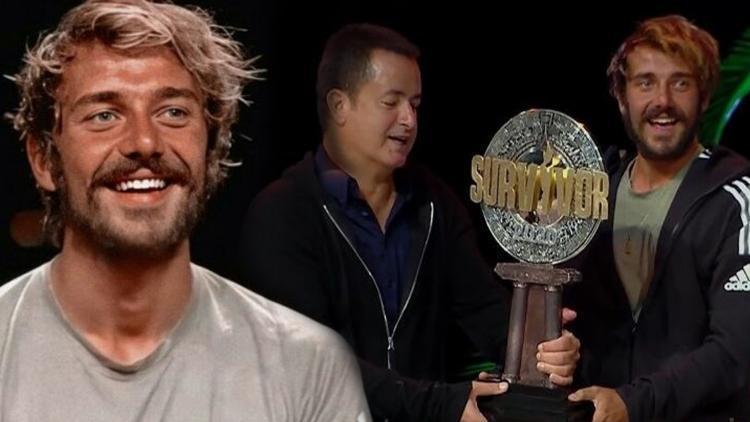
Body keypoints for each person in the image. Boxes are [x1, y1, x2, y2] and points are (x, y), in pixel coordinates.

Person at [0, 1, 371, 420]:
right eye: (104, 115)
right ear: (43, 159)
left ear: (211, 148)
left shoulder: (307, 368)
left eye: (173, 112)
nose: (144, 142)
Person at [240, 23, 580, 422]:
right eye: (392, 102)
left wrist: (543, 348)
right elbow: (312, 362)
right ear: (339, 105)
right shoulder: (282, 213)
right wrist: (442, 404)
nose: (409, 120)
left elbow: (486, 313)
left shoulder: (434, 204)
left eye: (415, 104)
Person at [566, 15, 750, 422]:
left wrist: (634, 403)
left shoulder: (738, 197)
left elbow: (736, 349)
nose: (662, 100)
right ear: (622, 97)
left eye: (680, 83)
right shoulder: (589, 195)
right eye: (645, 83)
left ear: (704, 98)